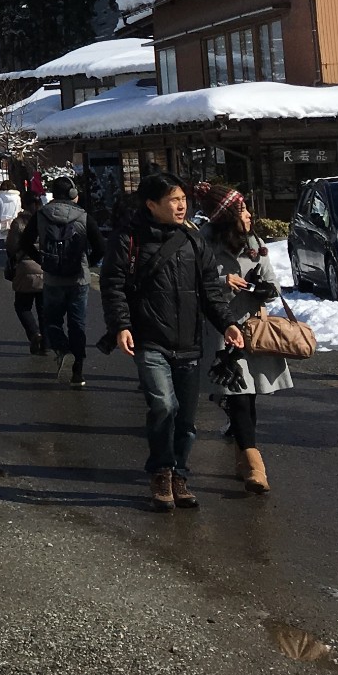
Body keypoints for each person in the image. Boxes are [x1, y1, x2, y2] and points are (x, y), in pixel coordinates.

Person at [100, 171, 242, 511]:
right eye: (173, 201)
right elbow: (113, 285)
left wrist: (227, 323)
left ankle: (180, 474)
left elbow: (209, 289)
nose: (181, 206)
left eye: (183, 199)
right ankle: (161, 471)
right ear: (151, 205)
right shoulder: (129, 239)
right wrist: (121, 325)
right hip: (150, 339)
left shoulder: (193, 239)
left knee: (186, 419)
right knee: (164, 405)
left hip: (189, 341)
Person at [197, 184, 292, 494]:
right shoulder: (203, 244)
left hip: (252, 328)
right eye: (243, 211)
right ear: (227, 217)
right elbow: (192, 283)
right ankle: (255, 465)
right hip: (220, 330)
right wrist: (223, 281)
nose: (250, 216)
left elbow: (273, 281)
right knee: (237, 393)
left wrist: (266, 289)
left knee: (248, 397)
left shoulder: (255, 243)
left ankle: (242, 457)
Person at [27, 177, 100, 385]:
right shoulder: (84, 216)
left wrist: (43, 261)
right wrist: (87, 263)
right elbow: (100, 246)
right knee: (77, 324)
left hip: (53, 278)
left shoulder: (41, 215)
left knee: (51, 321)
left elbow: (25, 242)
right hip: (79, 279)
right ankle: (78, 370)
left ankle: (62, 349)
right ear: (72, 193)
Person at [4, 201, 45, 354]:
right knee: (43, 308)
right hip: (45, 267)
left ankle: (34, 333)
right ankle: (46, 343)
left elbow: (11, 246)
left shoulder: (19, 223)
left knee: (22, 306)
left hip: (24, 267)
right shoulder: (45, 220)